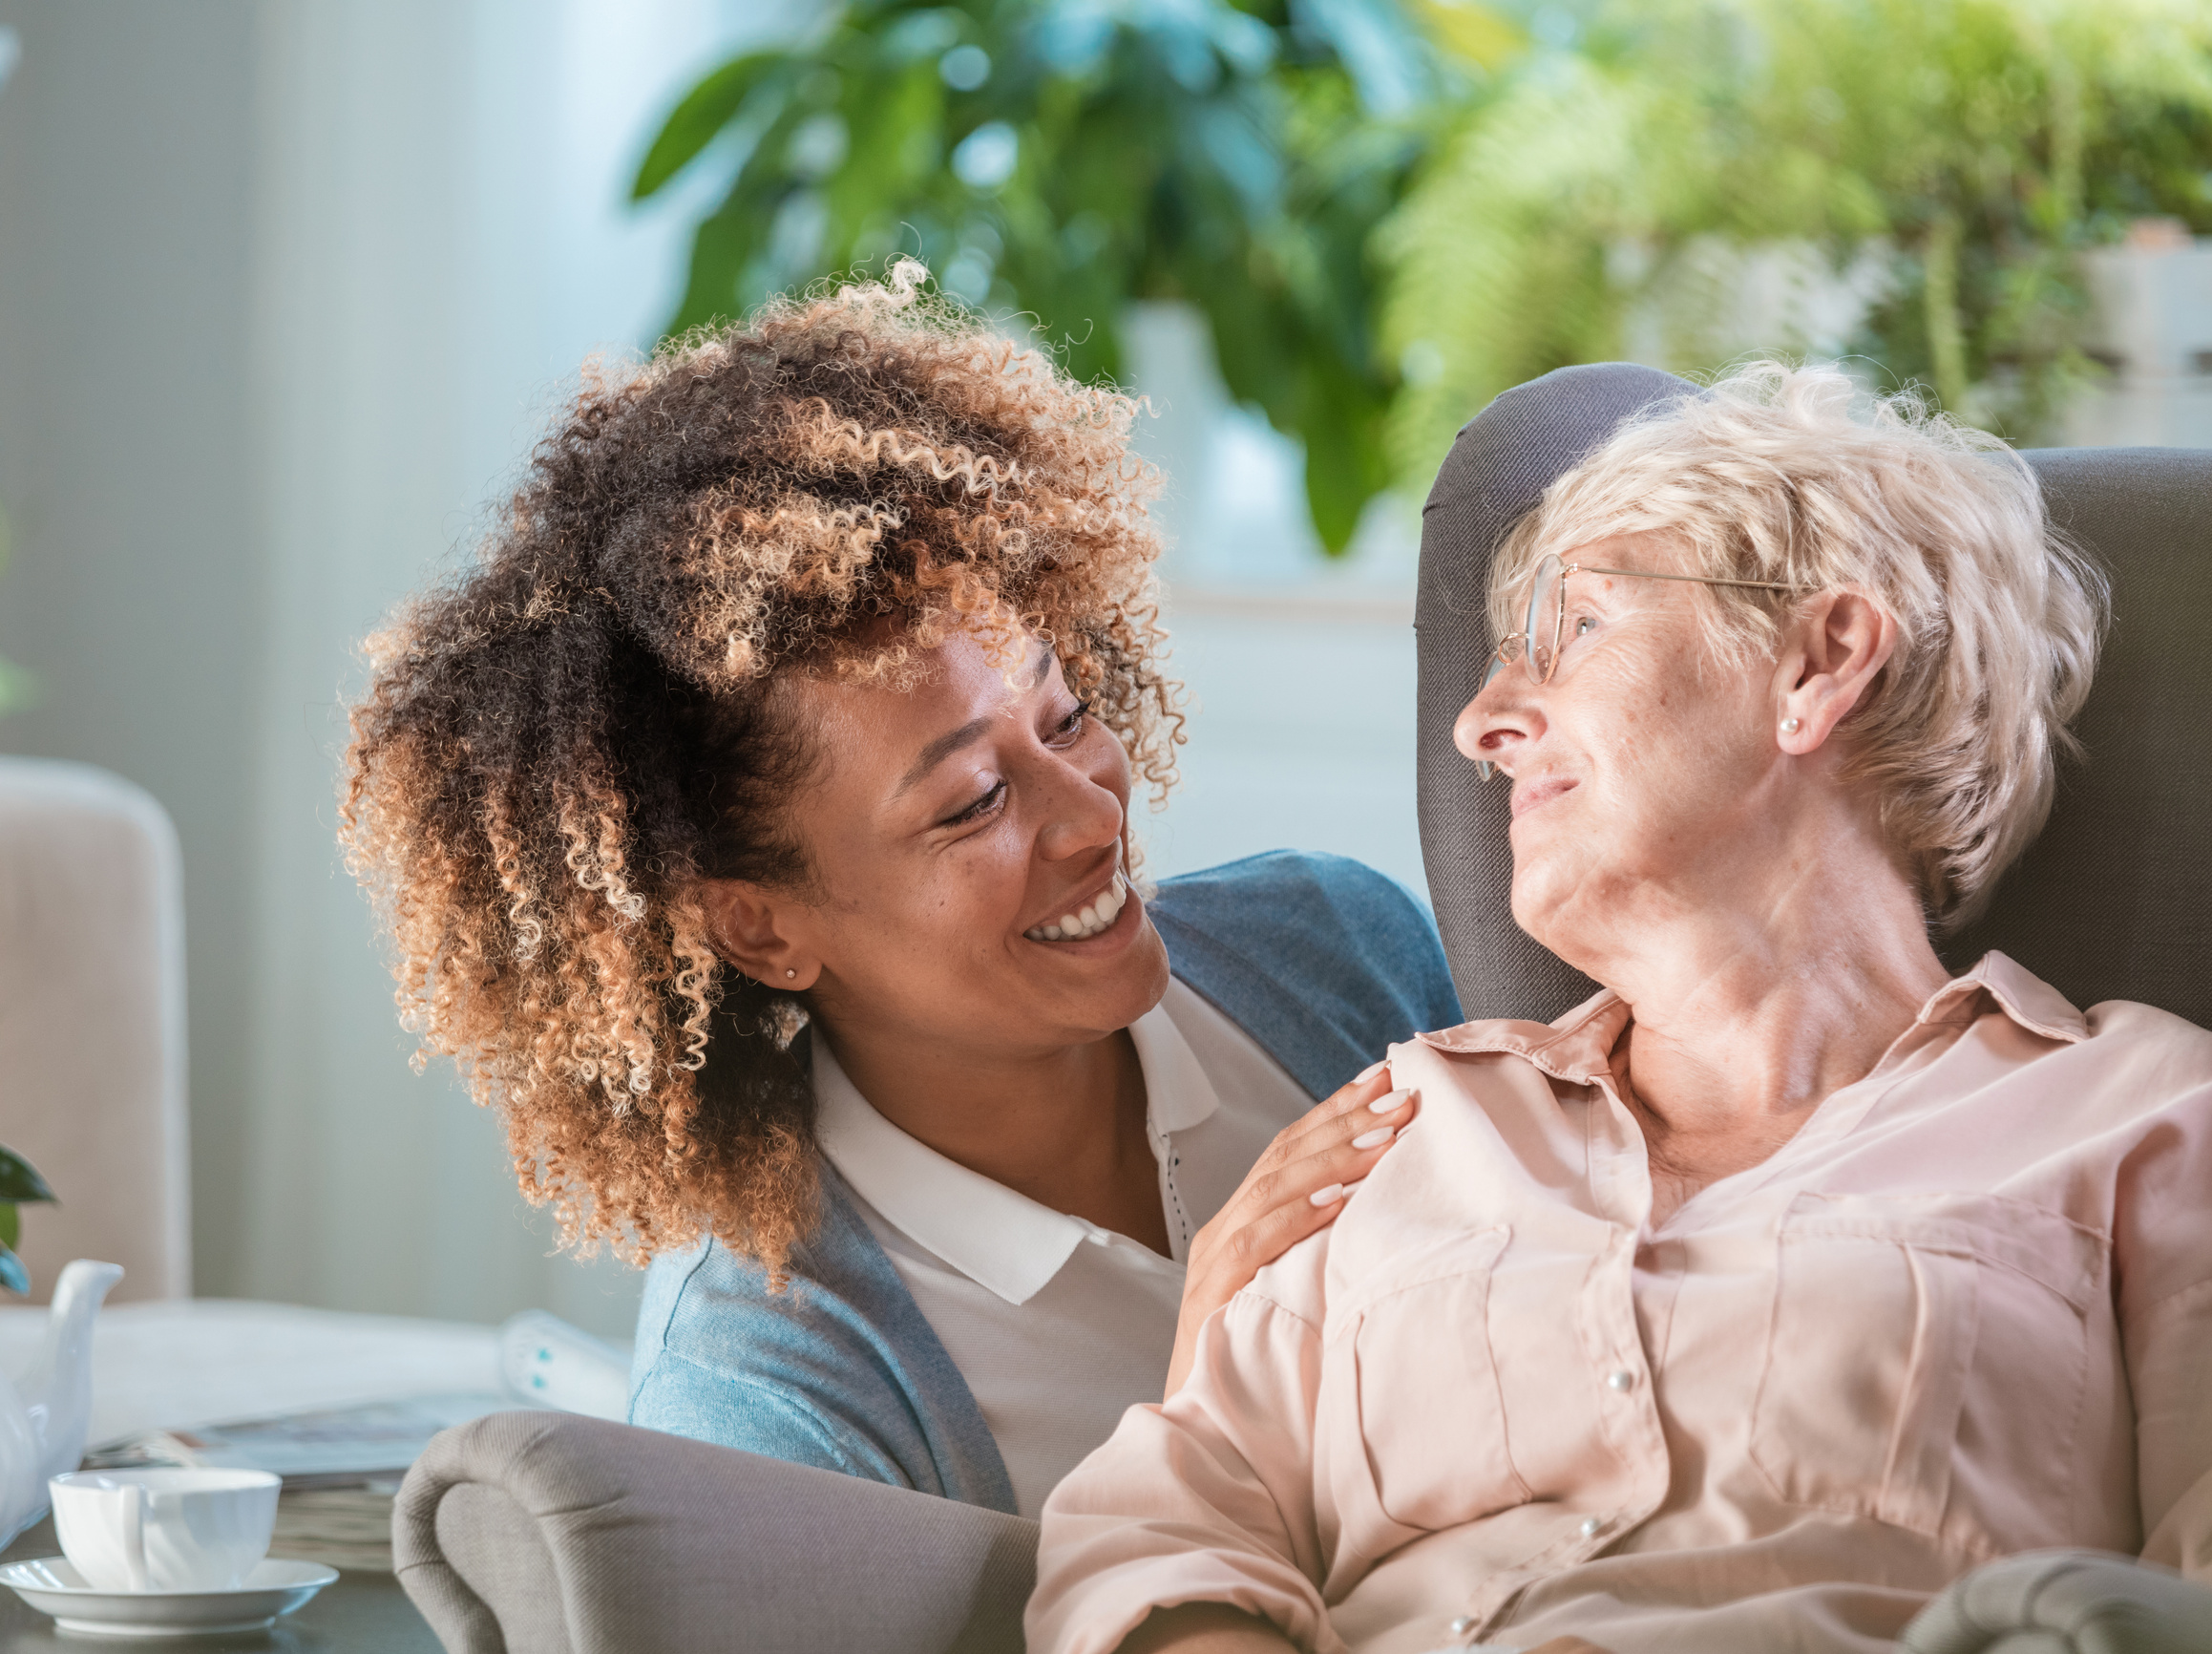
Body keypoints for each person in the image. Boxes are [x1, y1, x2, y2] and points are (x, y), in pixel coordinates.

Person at [1027, 363, 2212, 1653]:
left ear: (1817, 661)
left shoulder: (2154, 1120)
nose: (1481, 722)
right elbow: (1160, 1532)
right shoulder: (1407, 1132)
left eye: (1573, 626)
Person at [338, 267, 1461, 1518]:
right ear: (761, 924)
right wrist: (1201, 1425)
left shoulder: (1341, 956)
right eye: (974, 803)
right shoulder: (768, 1403)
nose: (1096, 817)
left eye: (1065, 716)